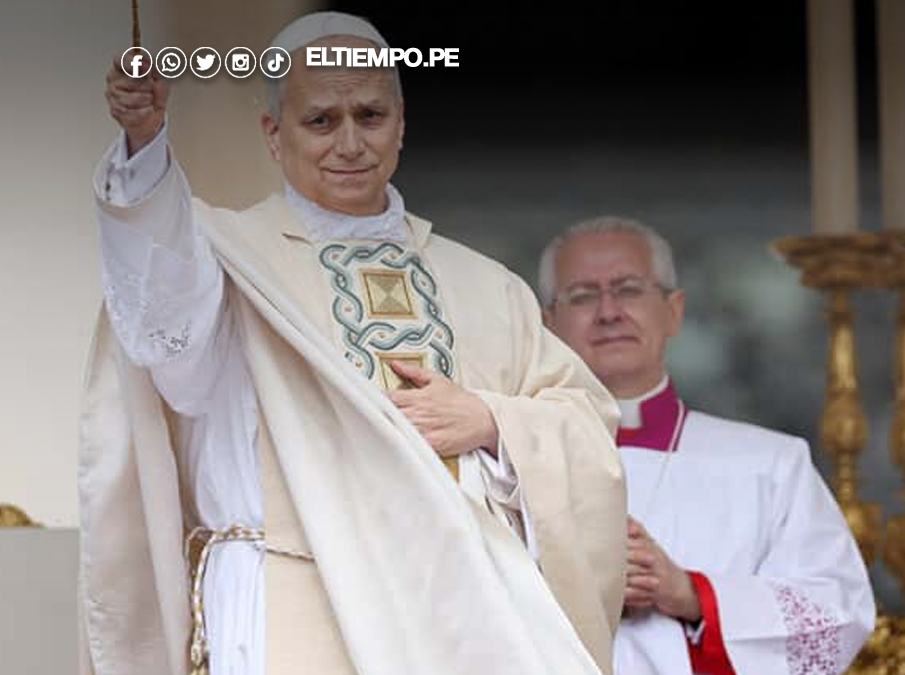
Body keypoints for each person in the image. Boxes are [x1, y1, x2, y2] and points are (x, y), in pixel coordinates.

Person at [79, 12, 627, 675]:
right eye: (321, 121)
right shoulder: (224, 262)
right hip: (288, 594)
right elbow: (165, 323)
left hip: (458, 611)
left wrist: (490, 421)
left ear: (402, 124)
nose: (349, 143)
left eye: (370, 116)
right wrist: (145, 146)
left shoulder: (486, 286)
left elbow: (586, 426)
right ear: (274, 133)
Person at [538, 215, 876, 675]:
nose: (609, 311)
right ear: (548, 325)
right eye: (581, 295)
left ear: (674, 310)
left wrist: (691, 594)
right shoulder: (509, 463)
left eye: (629, 289)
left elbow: (836, 615)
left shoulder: (772, 465)